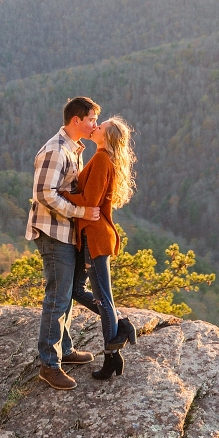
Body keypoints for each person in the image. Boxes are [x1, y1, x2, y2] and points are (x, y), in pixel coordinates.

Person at [26, 96, 102, 391]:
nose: (94, 125)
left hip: (64, 231)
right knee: (57, 296)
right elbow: (44, 194)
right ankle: (49, 364)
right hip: (53, 232)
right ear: (77, 121)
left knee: (66, 293)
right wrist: (81, 212)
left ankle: (64, 351)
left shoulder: (73, 148)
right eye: (92, 120)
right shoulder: (55, 151)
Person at [72, 116, 138, 381]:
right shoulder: (102, 158)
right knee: (79, 290)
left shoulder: (101, 159)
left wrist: (57, 195)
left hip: (95, 238)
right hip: (95, 236)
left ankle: (111, 358)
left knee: (102, 299)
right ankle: (121, 325)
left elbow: (89, 201)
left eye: (101, 127)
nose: (95, 127)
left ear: (107, 137)